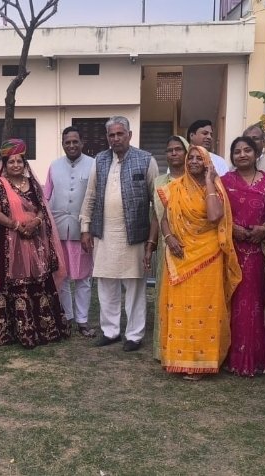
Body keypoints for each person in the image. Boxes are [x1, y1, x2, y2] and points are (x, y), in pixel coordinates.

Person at [155, 144, 241, 379]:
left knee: (204, 308)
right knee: (179, 307)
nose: (193, 161)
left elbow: (214, 216)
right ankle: (179, 358)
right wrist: (169, 238)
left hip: (208, 255)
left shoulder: (216, 188)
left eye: (199, 158)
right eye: (191, 157)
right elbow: (165, 219)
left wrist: (210, 181)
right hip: (179, 253)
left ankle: (200, 362)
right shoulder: (175, 188)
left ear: (207, 163)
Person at [0, 139, 70, 347]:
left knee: (37, 279)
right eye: (11, 161)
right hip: (6, 241)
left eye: (19, 161)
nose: (16, 165)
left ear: (25, 163)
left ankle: (42, 328)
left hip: (34, 240)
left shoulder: (33, 183)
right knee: (6, 281)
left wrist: (35, 222)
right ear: (4, 164)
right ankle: (7, 331)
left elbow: (42, 209)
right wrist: (18, 226)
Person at [80, 116, 159, 352]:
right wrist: (85, 228)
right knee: (106, 284)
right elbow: (90, 195)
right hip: (104, 234)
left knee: (134, 286)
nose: (115, 139)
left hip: (134, 235)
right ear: (107, 138)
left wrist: (152, 240)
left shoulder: (146, 160)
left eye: (120, 134)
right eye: (111, 135)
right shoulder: (100, 160)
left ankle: (134, 335)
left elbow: (157, 202)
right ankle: (110, 331)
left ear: (129, 135)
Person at [222, 136, 265, 376]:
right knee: (231, 300)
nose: (242, 155)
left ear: (256, 154)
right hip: (231, 251)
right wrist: (231, 228)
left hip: (258, 253)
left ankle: (256, 358)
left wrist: (264, 228)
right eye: (237, 151)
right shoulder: (223, 181)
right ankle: (231, 356)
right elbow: (216, 215)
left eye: (247, 150)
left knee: (256, 302)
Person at [44, 127, 96, 338]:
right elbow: (46, 197)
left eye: (75, 141)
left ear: (82, 143)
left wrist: (90, 229)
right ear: (63, 144)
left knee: (83, 278)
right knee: (62, 276)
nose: (72, 145)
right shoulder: (54, 166)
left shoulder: (93, 165)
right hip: (58, 230)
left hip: (82, 231)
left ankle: (82, 320)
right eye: (68, 142)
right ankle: (67, 316)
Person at [149, 135, 189, 360]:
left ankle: (184, 345)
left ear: (187, 153)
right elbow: (156, 216)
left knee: (186, 297)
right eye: (169, 150)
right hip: (166, 245)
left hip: (191, 246)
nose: (173, 153)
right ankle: (164, 347)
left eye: (178, 149)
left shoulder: (195, 181)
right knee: (165, 295)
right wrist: (151, 245)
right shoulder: (159, 182)